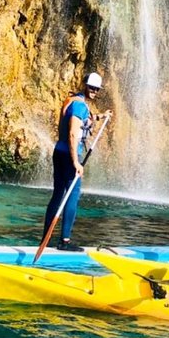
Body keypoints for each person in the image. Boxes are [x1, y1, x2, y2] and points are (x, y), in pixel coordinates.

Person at [42, 72, 112, 251]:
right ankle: (64, 241)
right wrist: (76, 162)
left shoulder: (73, 101)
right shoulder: (80, 106)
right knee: (72, 195)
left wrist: (101, 116)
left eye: (97, 88)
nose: (94, 91)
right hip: (69, 156)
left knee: (58, 194)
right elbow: (73, 133)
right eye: (92, 87)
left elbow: (84, 120)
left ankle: (46, 239)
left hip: (59, 152)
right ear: (85, 85)